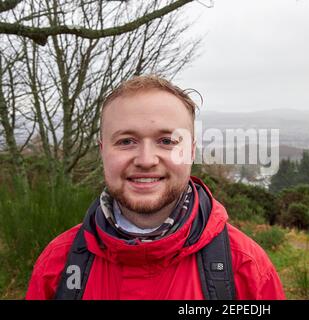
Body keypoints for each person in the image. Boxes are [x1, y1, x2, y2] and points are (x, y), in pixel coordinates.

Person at [25, 75, 286, 300]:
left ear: (191, 151)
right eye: (126, 141)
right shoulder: (57, 264)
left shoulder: (246, 267)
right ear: (102, 150)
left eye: (166, 141)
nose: (146, 160)